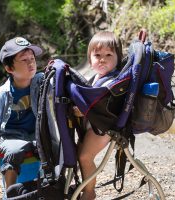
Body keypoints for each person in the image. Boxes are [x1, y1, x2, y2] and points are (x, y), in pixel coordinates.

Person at [0, 36, 43, 191]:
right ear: (9, 68)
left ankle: (49, 187)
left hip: (37, 132)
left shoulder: (41, 82)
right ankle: (11, 192)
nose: (31, 62)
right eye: (24, 60)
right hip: (11, 135)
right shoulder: (3, 93)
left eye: (32, 58)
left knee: (53, 148)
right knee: (13, 152)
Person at [74, 31, 123, 200]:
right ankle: (85, 184)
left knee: (85, 156)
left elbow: (102, 105)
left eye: (109, 54)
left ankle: (89, 192)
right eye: (97, 55)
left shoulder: (113, 81)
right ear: (90, 60)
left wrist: (84, 110)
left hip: (104, 127)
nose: (102, 59)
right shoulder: (95, 78)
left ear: (118, 58)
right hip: (94, 124)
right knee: (78, 153)